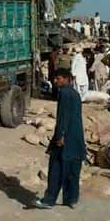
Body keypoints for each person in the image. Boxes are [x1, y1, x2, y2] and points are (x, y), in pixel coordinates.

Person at [34, 68, 86, 208]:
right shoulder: (75, 93)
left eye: (58, 78)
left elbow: (63, 116)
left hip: (65, 138)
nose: (55, 81)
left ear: (66, 78)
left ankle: (49, 200)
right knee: (73, 170)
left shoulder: (64, 93)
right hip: (77, 137)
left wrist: (61, 135)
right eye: (55, 78)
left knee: (56, 169)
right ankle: (72, 199)